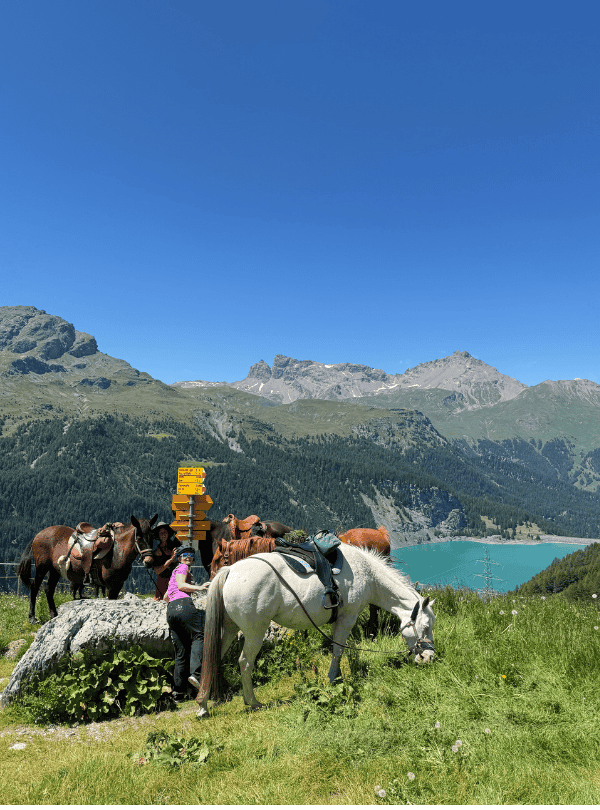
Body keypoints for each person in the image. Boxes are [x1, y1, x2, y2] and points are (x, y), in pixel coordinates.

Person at [165, 546, 209, 701]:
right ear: (179, 558)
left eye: (191, 555)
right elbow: (182, 586)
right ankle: (196, 675)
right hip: (184, 605)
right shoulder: (183, 567)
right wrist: (200, 587)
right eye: (184, 555)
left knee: (181, 651)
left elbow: (166, 596)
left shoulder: (174, 572)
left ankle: (178, 692)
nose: (188, 557)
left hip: (171, 610)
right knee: (199, 635)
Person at [151, 522, 181, 601]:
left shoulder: (172, 545)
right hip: (163, 581)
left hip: (174, 580)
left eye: (165, 532)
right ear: (158, 535)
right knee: (161, 601)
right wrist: (171, 560)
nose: (163, 534)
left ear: (168, 533)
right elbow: (157, 571)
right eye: (161, 533)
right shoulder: (158, 551)